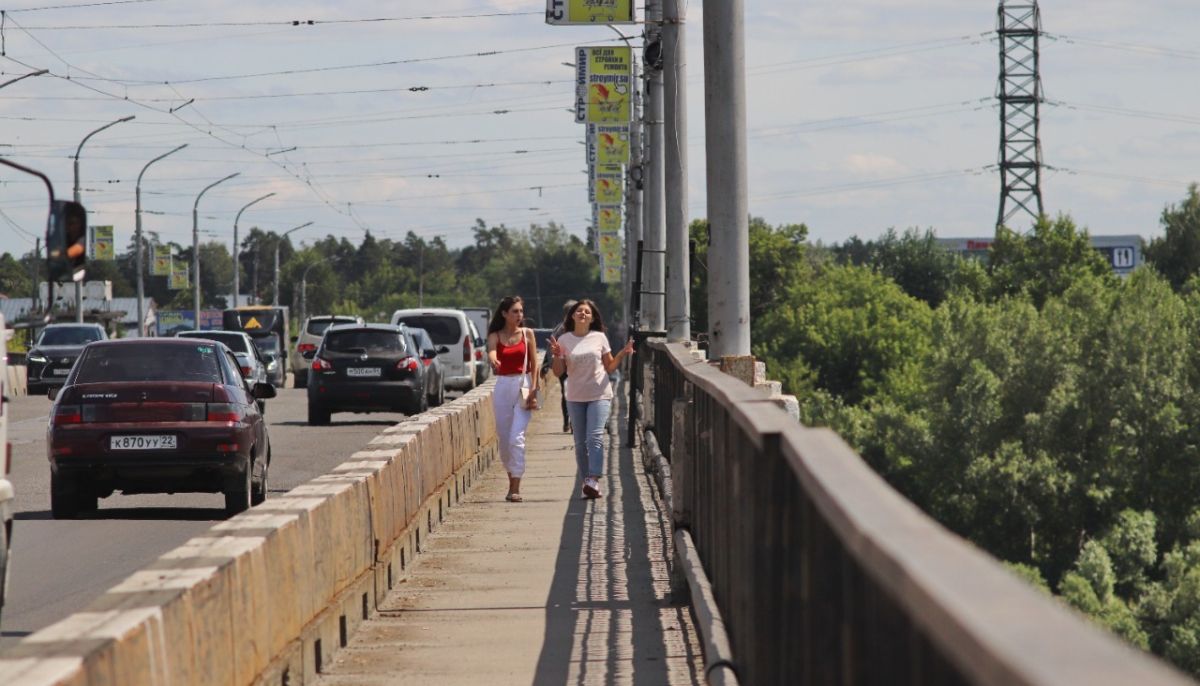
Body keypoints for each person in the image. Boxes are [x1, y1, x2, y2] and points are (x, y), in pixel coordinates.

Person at [548, 299, 635, 499]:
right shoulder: (563, 340)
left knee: (594, 436)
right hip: (575, 396)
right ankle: (587, 481)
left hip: (599, 394)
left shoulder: (599, 337)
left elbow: (610, 367)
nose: (583, 314)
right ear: (572, 316)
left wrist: (623, 353)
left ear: (593, 317)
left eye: (587, 312)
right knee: (579, 442)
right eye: (579, 311)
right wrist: (556, 355)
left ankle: (593, 479)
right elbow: (558, 372)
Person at [487, 296, 539, 503]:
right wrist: (492, 358)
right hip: (503, 387)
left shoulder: (528, 334)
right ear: (504, 314)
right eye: (515, 312)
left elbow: (534, 364)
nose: (519, 315)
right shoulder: (496, 335)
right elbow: (491, 350)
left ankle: (515, 486)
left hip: (524, 385)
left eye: (520, 311)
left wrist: (534, 388)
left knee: (516, 437)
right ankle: (511, 478)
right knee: (505, 439)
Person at [540, 299, 577, 433]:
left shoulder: (559, 329)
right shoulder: (562, 330)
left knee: (568, 394)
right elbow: (552, 347)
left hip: (572, 367)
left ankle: (569, 422)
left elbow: (549, 347)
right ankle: (571, 422)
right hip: (565, 367)